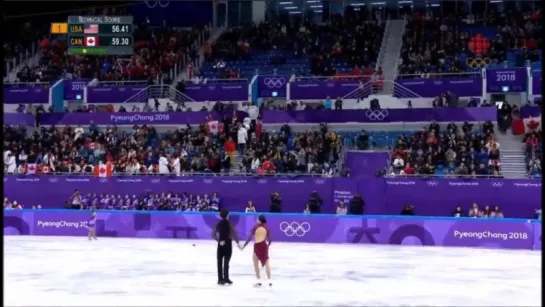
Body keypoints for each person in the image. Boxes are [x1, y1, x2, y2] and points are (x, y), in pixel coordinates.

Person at [241, 215, 272, 287]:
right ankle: (269, 281)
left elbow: (249, 237)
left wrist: (244, 245)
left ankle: (258, 280)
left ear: (260, 220)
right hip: (264, 246)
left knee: (255, 263)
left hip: (257, 246)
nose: (256, 219)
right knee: (267, 263)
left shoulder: (255, 227)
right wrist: (268, 246)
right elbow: (270, 239)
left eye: (257, 218)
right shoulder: (267, 228)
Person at [212, 208, 241, 285]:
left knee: (219, 262)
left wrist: (219, 241)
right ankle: (226, 278)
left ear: (220, 215)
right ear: (228, 215)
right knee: (226, 262)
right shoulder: (230, 224)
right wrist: (238, 243)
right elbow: (234, 233)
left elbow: (213, 234)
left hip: (221, 244)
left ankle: (220, 279)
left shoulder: (218, 224)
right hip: (228, 244)